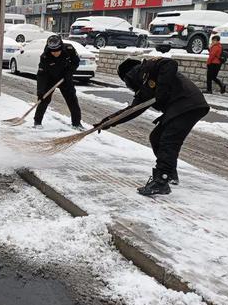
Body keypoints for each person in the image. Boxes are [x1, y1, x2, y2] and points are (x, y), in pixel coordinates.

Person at [100, 57, 210, 196]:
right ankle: (169, 173)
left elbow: (170, 63)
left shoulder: (148, 69)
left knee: (168, 140)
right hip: (180, 107)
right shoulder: (144, 89)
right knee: (156, 137)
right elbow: (133, 110)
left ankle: (162, 180)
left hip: (188, 104)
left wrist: (161, 89)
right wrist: (108, 121)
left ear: (128, 77)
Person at [34, 34, 84, 130]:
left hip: (65, 78)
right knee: (43, 99)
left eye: (57, 51)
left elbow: (76, 62)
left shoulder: (69, 49)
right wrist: (40, 91)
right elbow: (41, 75)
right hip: (50, 78)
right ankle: (37, 122)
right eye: (53, 52)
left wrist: (69, 73)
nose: (55, 53)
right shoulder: (45, 56)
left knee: (72, 99)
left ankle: (77, 123)